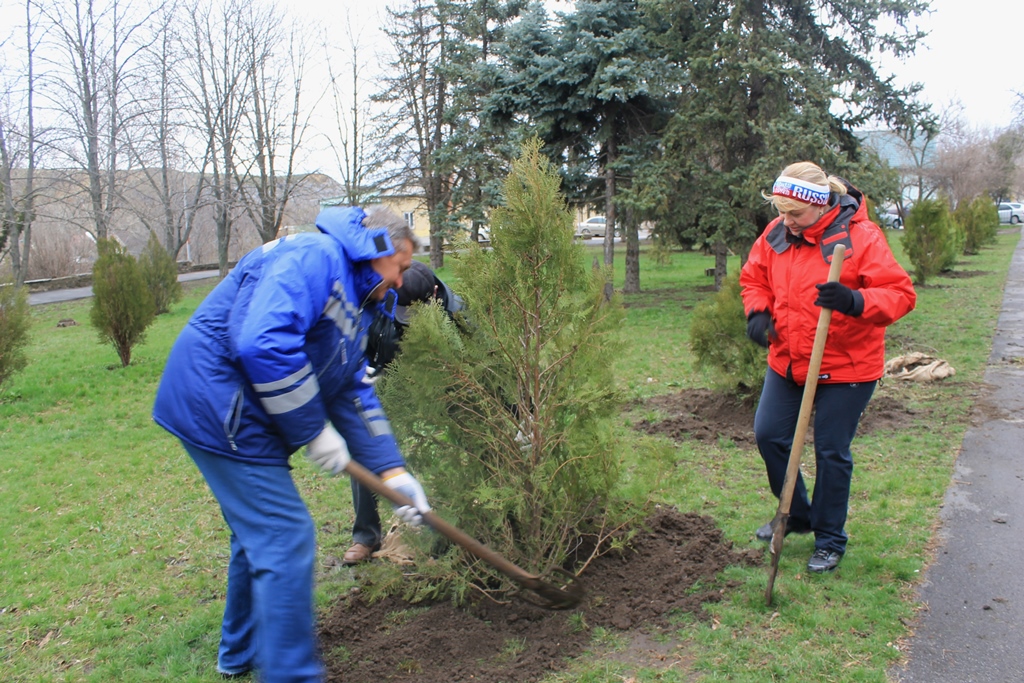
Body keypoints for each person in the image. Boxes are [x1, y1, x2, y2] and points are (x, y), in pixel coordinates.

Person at [152, 205, 431, 682]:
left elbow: (352, 388)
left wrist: (394, 472)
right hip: (218, 405)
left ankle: (238, 655)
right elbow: (263, 342)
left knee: (259, 535)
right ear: (375, 249)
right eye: (400, 267)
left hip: (244, 412)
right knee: (284, 535)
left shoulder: (361, 298)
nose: (402, 282)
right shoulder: (315, 258)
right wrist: (312, 429)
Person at [739, 161, 916, 574]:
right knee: (769, 435)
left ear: (819, 205)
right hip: (788, 359)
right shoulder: (776, 233)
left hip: (847, 365)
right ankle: (797, 514)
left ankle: (830, 538)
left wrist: (855, 301)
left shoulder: (860, 236)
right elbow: (754, 278)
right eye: (781, 212)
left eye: (795, 213)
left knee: (831, 450)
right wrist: (758, 312)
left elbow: (900, 294)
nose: (786, 221)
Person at [344, 260, 463, 566]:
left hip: (445, 384)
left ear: (434, 293)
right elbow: (357, 353)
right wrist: (366, 372)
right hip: (391, 384)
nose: (407, 319)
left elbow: (488, 362)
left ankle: (478, 513)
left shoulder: (458, 312)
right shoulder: (376, 307)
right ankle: (365, 536)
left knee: (476, 427)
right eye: (403, 312)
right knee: (365, 442)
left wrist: (520, 413)